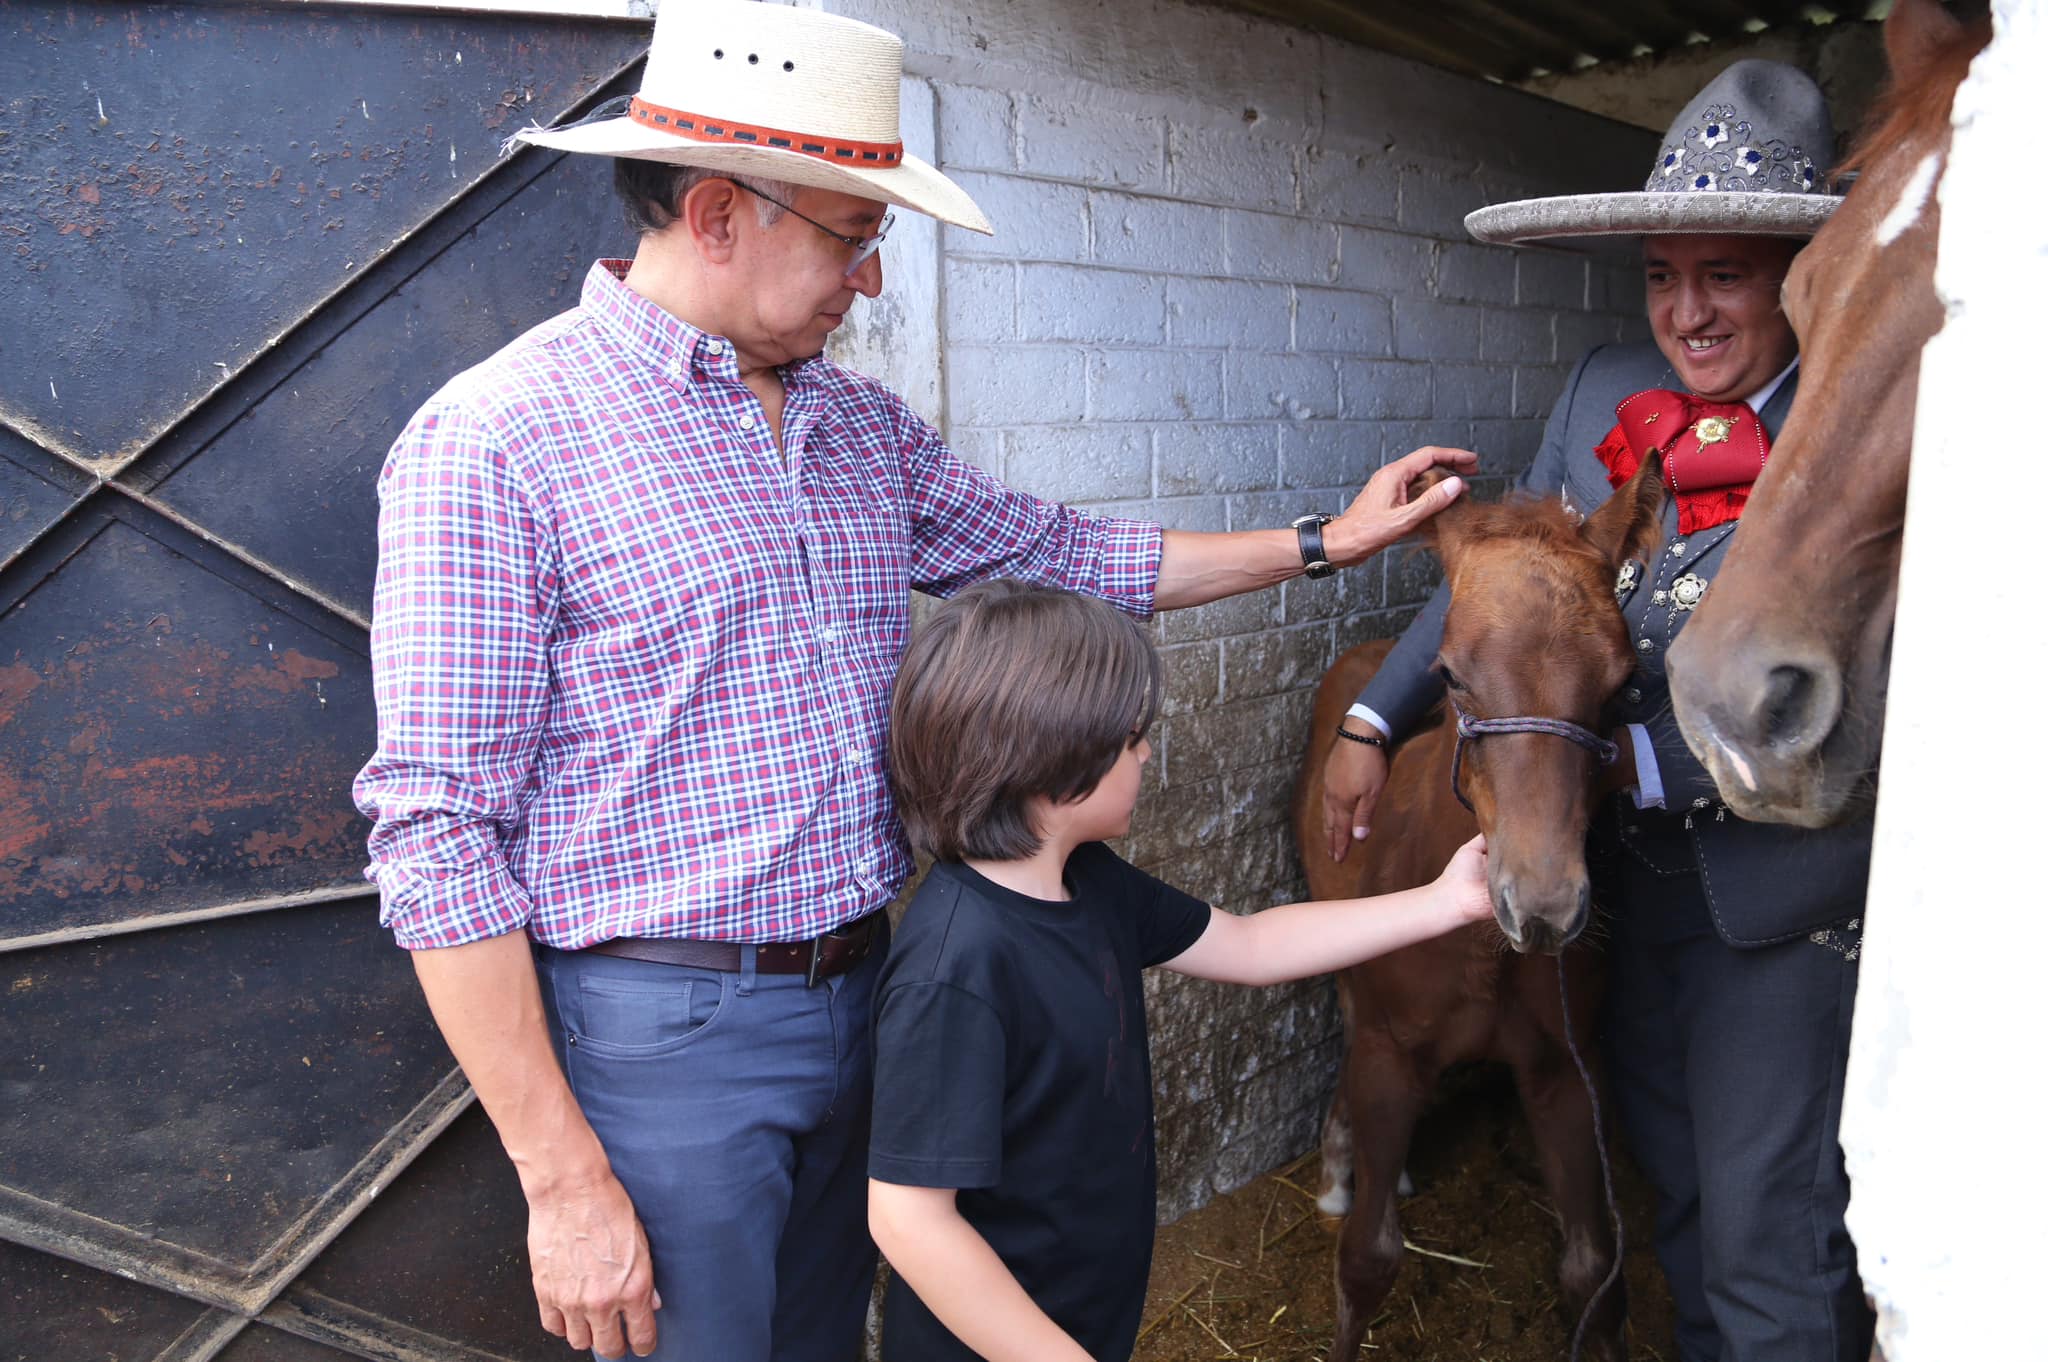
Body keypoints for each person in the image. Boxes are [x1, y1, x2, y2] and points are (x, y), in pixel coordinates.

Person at [351, 4, 1473, 1360]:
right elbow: (436, 831)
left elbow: (1071, 551)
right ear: (717, 211)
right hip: (668, 1026)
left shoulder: (858, 426)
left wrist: (1322, 543)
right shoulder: (496, 440)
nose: (870, 280)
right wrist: (559, 1171)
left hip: (876, 980)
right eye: (853, 233)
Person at [1318, 61, 1876, 1362]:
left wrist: (1607, 758)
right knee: (1672, 1192)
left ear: (1796, 277)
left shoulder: (1859, 431)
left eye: (1726, 275)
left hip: (1776, 895)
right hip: (1628, 888)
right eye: (1662, 273)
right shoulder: (1601, 391)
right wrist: (1369, 722)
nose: (1686, 311)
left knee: (1770, 1234)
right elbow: (1493, 589)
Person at [866, 581, 1493, 1362]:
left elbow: (1251, 945)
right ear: (1054, 760)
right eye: (1131, 739)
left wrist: (1444, 902)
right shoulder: (956, 964)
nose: (1147, 753)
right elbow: (908, 1218)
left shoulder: (1089, 881)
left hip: (1086, 1310)